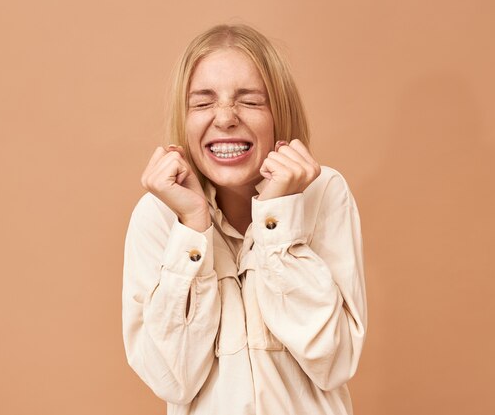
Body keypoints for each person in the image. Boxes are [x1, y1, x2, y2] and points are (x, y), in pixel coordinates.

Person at [122, 24, 367, 415]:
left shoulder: (324, 193)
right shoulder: (157, 215)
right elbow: (172, 379)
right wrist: (192, 226)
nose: (225, 118)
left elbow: (334, 360)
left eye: (250, 101)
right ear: (183, 120)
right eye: (202, 103)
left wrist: (277, 217)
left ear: (279, 114)